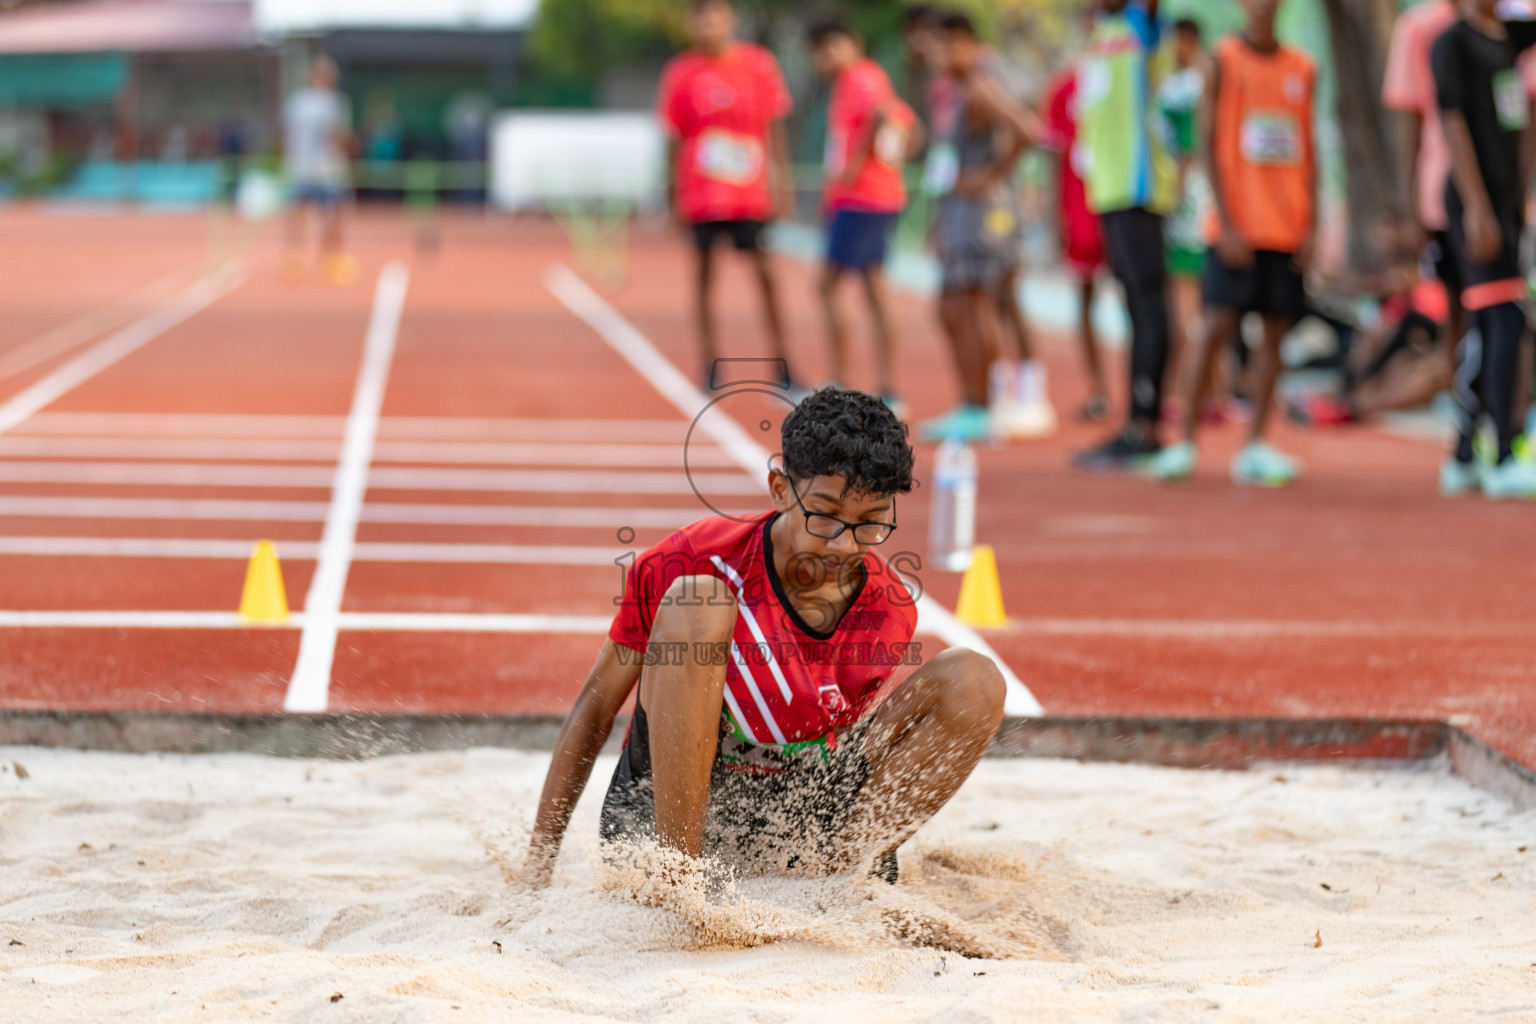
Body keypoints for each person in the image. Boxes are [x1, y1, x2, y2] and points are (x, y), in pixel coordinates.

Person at [523, 388, 1006, 885]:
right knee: (698, 605)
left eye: (870, 524)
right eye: (823, 515)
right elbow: (593, 712)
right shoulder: (690, 558)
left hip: (793, 821)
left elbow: (835, 745)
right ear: (780, 488)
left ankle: (845, 880)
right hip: (664, 818)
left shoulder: (887, 606)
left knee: (976, 679)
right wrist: (536, 869)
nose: (843, 544)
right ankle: (680, 883)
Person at [1151, 0, 1316, 486]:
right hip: (1234, 228)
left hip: (1286, 225)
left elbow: (1307, 147)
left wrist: (1314, 220)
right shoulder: (1221, 62)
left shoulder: (1304, 68)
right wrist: (1226, 221)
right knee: (1215, 324)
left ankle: (1257, 444)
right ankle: (1183, 442)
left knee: (1275, 332)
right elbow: (1205, 142)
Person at [902, 6, 1056, 442]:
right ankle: (973, 400)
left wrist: (990, 176)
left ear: (969, 45)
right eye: (935, 44)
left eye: (950, 43)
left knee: (978, 305)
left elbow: (1027, 132)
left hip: (981, 216)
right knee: (951, 306)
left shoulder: (979, 87)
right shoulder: (947, 90)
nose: (939, 52)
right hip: (955, 213)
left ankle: (987, 405)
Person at [658, 0, 799, 391]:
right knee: (704, 274)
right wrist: (672, 193)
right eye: (701, 18)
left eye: (716, 16)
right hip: (702, 194)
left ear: (731, 20)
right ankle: (710, 363)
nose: (709, 25)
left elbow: (776, 129)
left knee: (765, 272)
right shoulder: (681, 72)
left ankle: (782, 360)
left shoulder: (758, 65)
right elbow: (673, 136)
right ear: (692, 24)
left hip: (748, 194)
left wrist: (781, 183)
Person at [1431, 0, 1536, 499]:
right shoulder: (1452, 44)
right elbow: (1452, 123)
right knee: (1505, 322)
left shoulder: (1508, 37)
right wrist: (1476, 207)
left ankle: (1465, 452)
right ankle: (1503, 451)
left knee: (1487, 326)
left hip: (1507, 204)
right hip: (1477, 207)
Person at [1072, 0, 1179, 471]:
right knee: (1135, 306)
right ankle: (1137, 421)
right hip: (1110, 192)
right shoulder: (1102, 32)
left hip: (1140, 191)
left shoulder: (1142, 22)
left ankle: (1145, 425)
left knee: (1149, 303)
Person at [808, 17, 922, 418]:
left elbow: (887, 115)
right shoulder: (847, 84)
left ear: (853, 43)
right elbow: (905, 121)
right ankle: (879, 386)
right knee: (864, 287)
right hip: (861, 198)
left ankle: (855, 383)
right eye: (818, 49)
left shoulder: (862, 78)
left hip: (864, 198)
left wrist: (856, 166)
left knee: (837, 284)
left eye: (833, 45)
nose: (825, 56)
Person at [1042, 60, 1110, 422]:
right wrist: (1057, 214)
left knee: (1143, 298)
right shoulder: (1063, 87)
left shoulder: (1129, 74)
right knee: (1085, 298)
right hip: (1078, 206)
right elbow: (1054, 155)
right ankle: (1099, 390)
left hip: (1123, 206)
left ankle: (1146, 391)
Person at [1158, 17, 1213, 421]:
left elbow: (1187, 150)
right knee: (1205, 306)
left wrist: (1172, 194)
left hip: (1187, 206)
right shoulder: (1196, 84)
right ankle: (1214, 393)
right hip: (1204, 204)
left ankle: (1184, 395)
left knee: (1187, 309)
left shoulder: (1183, 90)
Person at [282, 56, 356, 286]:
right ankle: (332, 261)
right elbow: (339, 137)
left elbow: (287, 137)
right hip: (327, 169)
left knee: (297, 214)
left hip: (299, 168)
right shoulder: (334, 102)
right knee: (335, 214)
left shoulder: (296, 102)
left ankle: (295, 262)